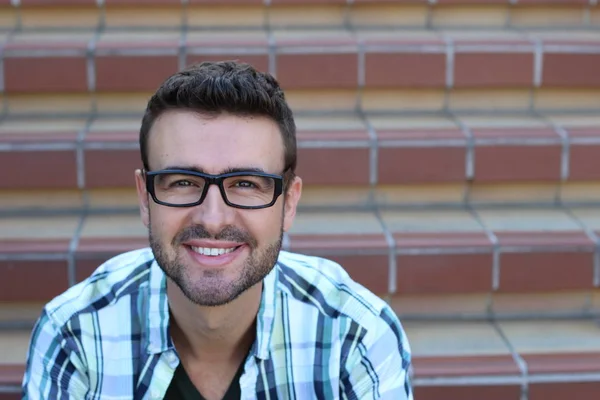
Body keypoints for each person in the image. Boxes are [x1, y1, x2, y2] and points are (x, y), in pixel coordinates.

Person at [21, 61, 412, 399]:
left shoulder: (355, 336)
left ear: (288, 203)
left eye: (245, 184)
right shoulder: (75, 334)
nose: (212, 218)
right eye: (183, 182)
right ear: (145, 198)